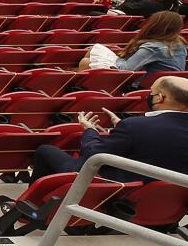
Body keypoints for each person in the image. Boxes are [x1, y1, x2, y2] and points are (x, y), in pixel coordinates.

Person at [31, 75, 188, 180]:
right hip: (169, 197)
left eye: (151, 92)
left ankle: (33, 210)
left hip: (119, 191)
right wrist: (122, 127)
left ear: (160, 98)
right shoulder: (135, 126)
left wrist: (89, 130)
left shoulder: (135, 126)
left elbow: (93, 155)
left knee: (45, 150)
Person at [94, 11, 187, 74]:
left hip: (148, 86)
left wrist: (118, 57)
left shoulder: (154, 47)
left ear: (154, 25)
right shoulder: (180, 43)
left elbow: (125, 70)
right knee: (91, 55)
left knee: (88, 59)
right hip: (166, 84)